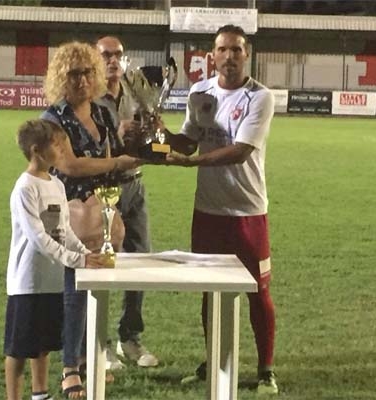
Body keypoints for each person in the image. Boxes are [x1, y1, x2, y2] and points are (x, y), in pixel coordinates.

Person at [158, 24, 279, 395]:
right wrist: (160, 135)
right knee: (209, 291)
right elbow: (187, 142)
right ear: (212, 56)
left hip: (248, 212)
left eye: (236, 50)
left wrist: (191, 163)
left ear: (247, 54)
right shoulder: (200, 92)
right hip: (208, 212)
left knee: (258, 292)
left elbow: (241, 151)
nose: (229, 56)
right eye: (222, 50)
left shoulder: (260, 97)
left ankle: (265, 370)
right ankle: (213, 361)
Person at [39, 41, 141, 397]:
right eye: (73, 74)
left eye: (86, 72)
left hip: (102, 213)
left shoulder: (101, 113)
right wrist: (116, 163)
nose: (81, 80)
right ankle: (70, 367)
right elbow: (69, 165)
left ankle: (87, 357)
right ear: (60, 77)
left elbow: (116, 154)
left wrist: (146, 143)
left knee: (97, 290)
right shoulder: (53, 118)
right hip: (68, 213)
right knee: (74, 291)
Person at [3, 119, 107, 400]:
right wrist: (76, 260)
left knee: (43, 344)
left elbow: (64, 230)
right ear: (36, 151)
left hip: (53, 279)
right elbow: (38, 238)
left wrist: (85, 254)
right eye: (56, 144)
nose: (62, 149)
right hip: (28, 281)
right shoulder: (25, 188)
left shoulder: (57, 184)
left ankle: (40, 394)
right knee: (18, 348)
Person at [95, 35, 159, 369]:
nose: (112, 60)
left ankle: (129, 337)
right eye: (105, 55)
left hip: (135, 186)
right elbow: (82, 146)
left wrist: (153, 133)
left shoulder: (136, 91)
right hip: (102, 189)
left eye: (117, 54)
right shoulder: (88, 97)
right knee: (103, 264)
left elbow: (152, 137)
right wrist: (114, 135)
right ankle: (99, 343)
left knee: (142, 260)